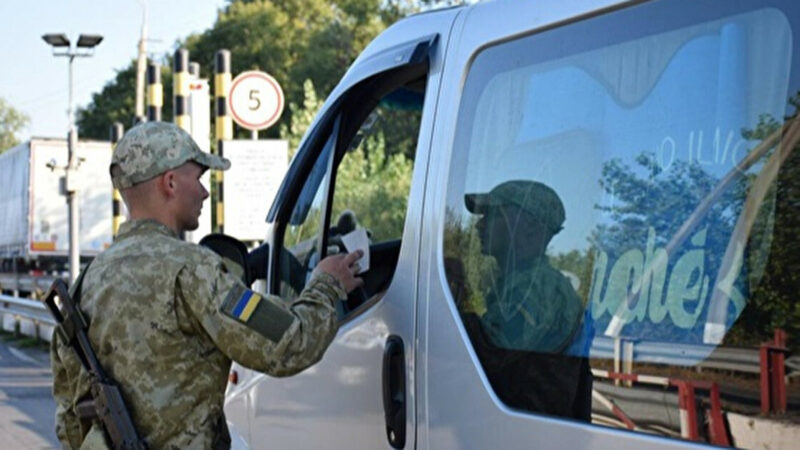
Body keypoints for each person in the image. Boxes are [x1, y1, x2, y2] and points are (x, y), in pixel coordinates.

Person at [50, 122, 364, 449]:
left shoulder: (85, 282)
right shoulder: (193, 269)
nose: (204, 191)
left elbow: (69, 414)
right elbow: (290, 343)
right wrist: (327, 284)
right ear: (170, 182)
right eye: (198, 177)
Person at [460, 180, 593, 420]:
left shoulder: (539, 288)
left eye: (492, 215)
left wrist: (454, 297)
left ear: (530, 227)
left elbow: (487, 355)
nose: (479, 226)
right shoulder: (522, 283)